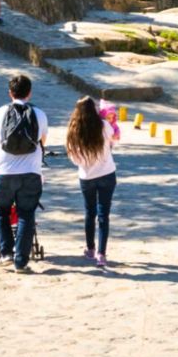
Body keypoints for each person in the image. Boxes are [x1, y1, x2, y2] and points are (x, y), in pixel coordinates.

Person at [0, 74, 48, 273]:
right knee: (26, 214)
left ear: (10, 93)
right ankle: (21, 261)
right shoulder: (39, 114)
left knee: (0, 211)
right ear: (29, 93)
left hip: (4, 172)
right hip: (30, 173)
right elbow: (42, 143)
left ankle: (5, 252)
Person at [65, 97, 120, 268]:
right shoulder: (104, 125)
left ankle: (90, 249)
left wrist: (84, 162)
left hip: (86, 176)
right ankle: (101, 254)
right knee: (104, 214)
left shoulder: (74, 131)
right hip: (107, 173)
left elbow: (73, 157)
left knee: (90, 212)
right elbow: (113, 140)